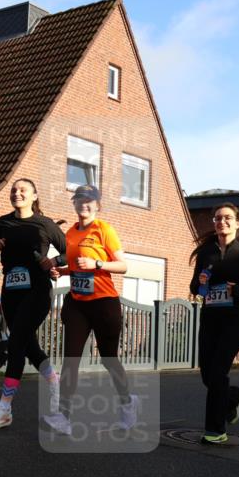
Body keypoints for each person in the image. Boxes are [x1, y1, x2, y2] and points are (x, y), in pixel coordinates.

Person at [45, 185, 138, 435]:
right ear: (74, 204)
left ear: (97, 205)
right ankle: (64, 416)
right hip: (77, 303)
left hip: (104, 303)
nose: (83, 204)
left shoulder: (104, 229)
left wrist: (97, 262)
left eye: (89, 200)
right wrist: (61, 271)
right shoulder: (70, 232)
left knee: (109, 358)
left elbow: (123, 265)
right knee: (71, 359)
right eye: (79, 200)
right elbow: (76, 266)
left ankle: (127, 404)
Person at [0, 179, 67, 429]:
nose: (17, 193)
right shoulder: (3, 222)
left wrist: (55, 261)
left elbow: (69, 251)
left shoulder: (45, 224)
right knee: (28, 345)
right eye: (14, 190)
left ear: (34, 196)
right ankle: (54, 380)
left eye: (23, 190)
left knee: (16, 341)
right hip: (11, 291)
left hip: (37, 290)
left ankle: (4, 407)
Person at [189, 203, 239, 445]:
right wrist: (200, 282)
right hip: (209, 319)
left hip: (233, 321)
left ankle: (215, 430)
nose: (222, 221)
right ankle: (232, 397)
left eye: (227, 218)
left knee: (218, 373)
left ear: (238, 222)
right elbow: (195, 288)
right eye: (217, 218)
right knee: (207, 376)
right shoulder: (205, 254)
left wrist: (238, 290)